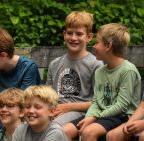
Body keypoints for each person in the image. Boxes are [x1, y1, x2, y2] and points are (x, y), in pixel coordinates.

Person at [76, 23, 142, 141]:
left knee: (89, 132)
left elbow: (122, 106)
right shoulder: (100, 71)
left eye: (97, 42)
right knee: (81, 128)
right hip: (103, 114)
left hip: (123, 116)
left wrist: (94, 118)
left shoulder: (128, 70)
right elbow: (96, 101)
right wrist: (89, 117)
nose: (94, 46)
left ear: (108, 46)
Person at [0, 27, 41, 139]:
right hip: (3, 115)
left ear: (3, 55)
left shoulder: (28, 68)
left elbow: (23, 106)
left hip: (22, 118)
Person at [46, 11, 103, 140]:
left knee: (54, 130)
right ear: (64, 34)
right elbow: (47, 96)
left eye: (79, 34)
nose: (73, 38)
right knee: (28, 125)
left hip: (81, 112)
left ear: (89, 37)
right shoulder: (55, 64)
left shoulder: (96, 65)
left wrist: (66, 107)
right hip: (55, 110)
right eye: (70, 33)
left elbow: (98, 102)